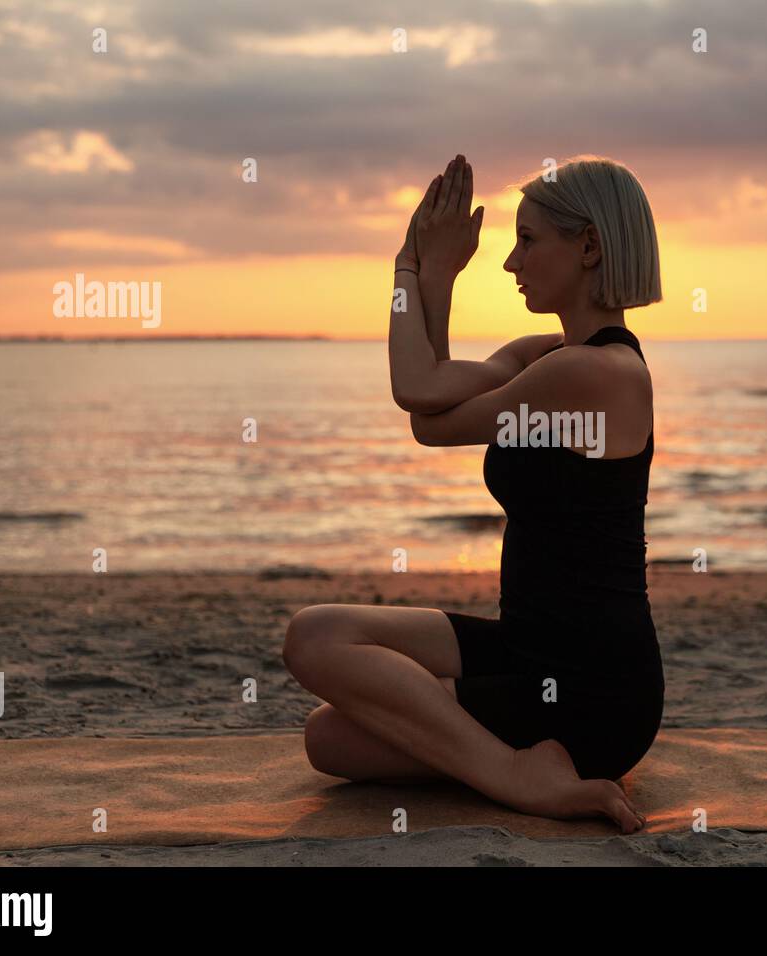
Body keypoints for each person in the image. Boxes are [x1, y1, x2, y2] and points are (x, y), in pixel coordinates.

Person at [283, 153, 664, 833]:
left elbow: (417, 395)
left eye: (526, 240)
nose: (511, 263)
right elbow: (429, 405)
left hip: (595, 688)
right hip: (527, 646)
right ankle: (508, 760)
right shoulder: (542, 356)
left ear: (589, 246)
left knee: (325, 672)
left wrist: (409, 271)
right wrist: (431, 275)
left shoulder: (594, 375)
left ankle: (519, 777)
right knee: (326, 709)